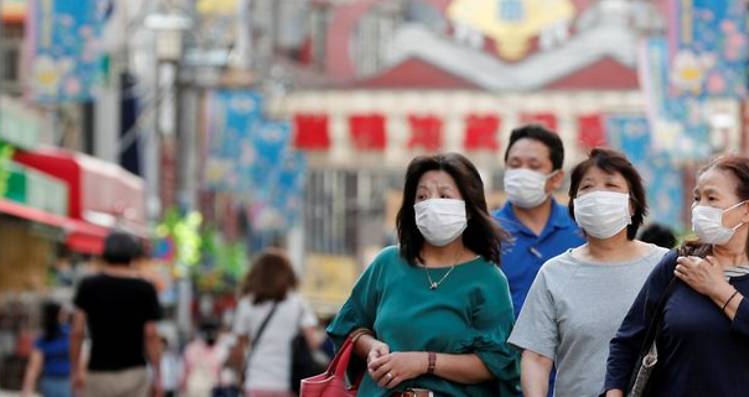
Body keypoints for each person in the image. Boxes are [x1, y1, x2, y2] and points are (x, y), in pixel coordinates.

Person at [602, 155, 749, 397]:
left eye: (712, 198)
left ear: (748, 210)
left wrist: (718, 288)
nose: (699, 207)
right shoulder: (679, 263)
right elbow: (627, 340)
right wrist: (613, 392)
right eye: (697, 198)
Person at [327, 153, 520, 397]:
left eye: (444, 196)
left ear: (469, 209)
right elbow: (349, 327)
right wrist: (372, 347)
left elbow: (497, 363)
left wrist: (424, 362)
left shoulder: (488, 279)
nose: (432, 204)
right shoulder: (387, 263)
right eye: (422, 196)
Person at [509, 148, 669, 397]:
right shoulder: (554, 273)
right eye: (587, 187)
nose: (598, 195)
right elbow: (537, 358)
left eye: (611, 185)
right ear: (575, 204)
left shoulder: (664, 265)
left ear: (632, 204)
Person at [494, 124, 584, 317]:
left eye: (534, 166)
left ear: (556, 178)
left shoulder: (581, 227)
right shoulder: (485, 230)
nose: (522, 173)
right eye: (515, 165)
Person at [71, 231, 163, 397]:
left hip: (98, 373)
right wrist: (158, 376)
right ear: (132, 256)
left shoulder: (89, 285)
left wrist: (75, 369)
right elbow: (151, 334)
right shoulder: (145, 289)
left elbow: (77, 331)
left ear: (105, 254)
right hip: (134, 372)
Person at [231, 249, 323, 397]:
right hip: (288, 384)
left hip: (256, 382)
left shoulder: (247, 303)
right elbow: (313, 342)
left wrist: (239, 377)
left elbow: (238, 350)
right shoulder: (298, 303)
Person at [21, 301, 72, 397]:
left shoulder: (68, 333)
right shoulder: (44, 339)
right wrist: (27, 390)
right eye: (62, 313)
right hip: (51, 381)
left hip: (66, 380)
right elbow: (34, 367)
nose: (65, 316)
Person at [182, 321, 228, 397]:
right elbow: (186, 370)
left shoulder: (220, 349)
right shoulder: (192, 348)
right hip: (195, 387)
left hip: (209, 388)